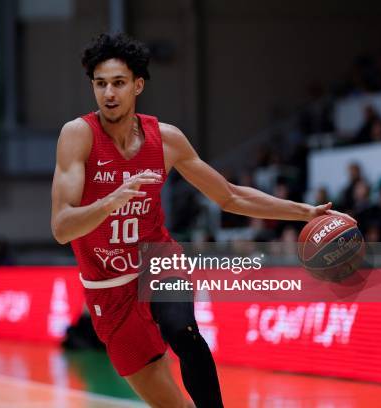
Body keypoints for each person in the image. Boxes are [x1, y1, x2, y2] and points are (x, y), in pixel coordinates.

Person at [50, 33, 353, 408]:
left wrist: (304, 211)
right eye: (100, 84)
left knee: (185, 332)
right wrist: (110, 201)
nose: (109, 93)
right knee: (171, 403)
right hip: (107, 288)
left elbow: (229, 195)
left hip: (157, 260)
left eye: (118, 83)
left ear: (137, 85)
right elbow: (62, 227)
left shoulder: (166, 140)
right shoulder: (78, 136)